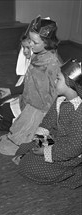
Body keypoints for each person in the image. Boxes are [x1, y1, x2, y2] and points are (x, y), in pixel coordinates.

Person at [0, 16, 62, 155]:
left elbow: (56, 93)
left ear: (47, 43)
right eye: (30, 41)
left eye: (34, 42)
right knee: (12, 129)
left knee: (33, 145)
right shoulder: (37, 55)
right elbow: (30, 82)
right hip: (29, 103)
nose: (31, 45)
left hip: (42, 110)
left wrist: (48, 119)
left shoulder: (53, 64)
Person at [13, 59, 82, 189]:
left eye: (58, 79)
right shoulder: (60, 100)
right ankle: (35, 158)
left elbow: (74, 147)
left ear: (71, 84)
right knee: (25, 147)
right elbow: (47, 123)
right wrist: (41, 142)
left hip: (71, 152)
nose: (55, 82)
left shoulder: (80, 111)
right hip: (57, 141)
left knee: (28, 166)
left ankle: (74, 173)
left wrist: (46, 152)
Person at [0, 34, 33, 130]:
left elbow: (31, 87)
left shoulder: (41, 65)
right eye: (23, 47)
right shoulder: (32, 61)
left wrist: (11, 91)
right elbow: (23, 84)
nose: (25, 51)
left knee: (6, 118)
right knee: (4, 107)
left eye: (28, 47)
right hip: (23, 98)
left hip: (33, 104)